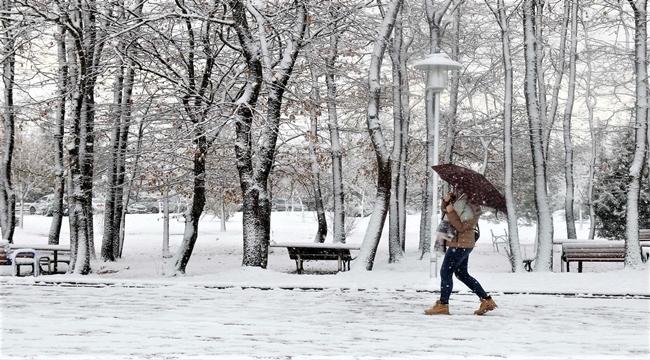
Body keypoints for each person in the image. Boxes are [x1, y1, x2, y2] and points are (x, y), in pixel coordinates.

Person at [424, 191, 497, 316]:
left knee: (445, 272)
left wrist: (450, 208)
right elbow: (446, 215)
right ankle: (486, 300)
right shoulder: (462, 201)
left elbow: (460, 226)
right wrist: (447, 202)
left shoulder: (470, 206)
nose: (457, 188)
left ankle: (443, 305)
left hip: (460, 245)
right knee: (461, 274)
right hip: (461, 244)